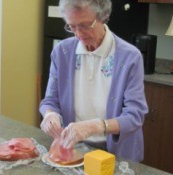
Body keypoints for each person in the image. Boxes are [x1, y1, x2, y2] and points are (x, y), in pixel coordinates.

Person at [39, 0, 148, 162]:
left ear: (104, 17)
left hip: (117, 154)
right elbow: (50, 101)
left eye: (85, 25)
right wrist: (50, 115)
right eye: (72, 26)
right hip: (74, 147)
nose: (78, 33)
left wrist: (95, 126)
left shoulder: (130, 57)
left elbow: (135, 115)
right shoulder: (61, 52)